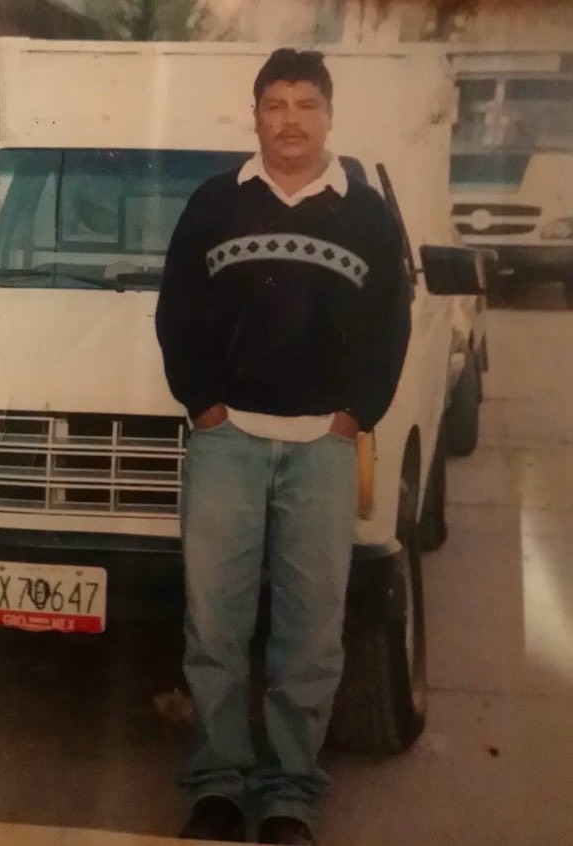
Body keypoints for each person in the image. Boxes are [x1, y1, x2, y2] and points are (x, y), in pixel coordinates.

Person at [155, 48, 411, 846]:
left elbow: (390, 324)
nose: (290, 120)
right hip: (226, 446)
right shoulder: (214, 203)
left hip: (321, 452)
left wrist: (354, 415)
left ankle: (289, 797)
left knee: (310, 631)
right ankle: (217, 787)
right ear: (255, 115)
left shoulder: (366, 214)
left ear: (328, 114)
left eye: (306, 104)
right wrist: (202, 405)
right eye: (275, 105)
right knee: (214, 626)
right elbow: (175, 310)